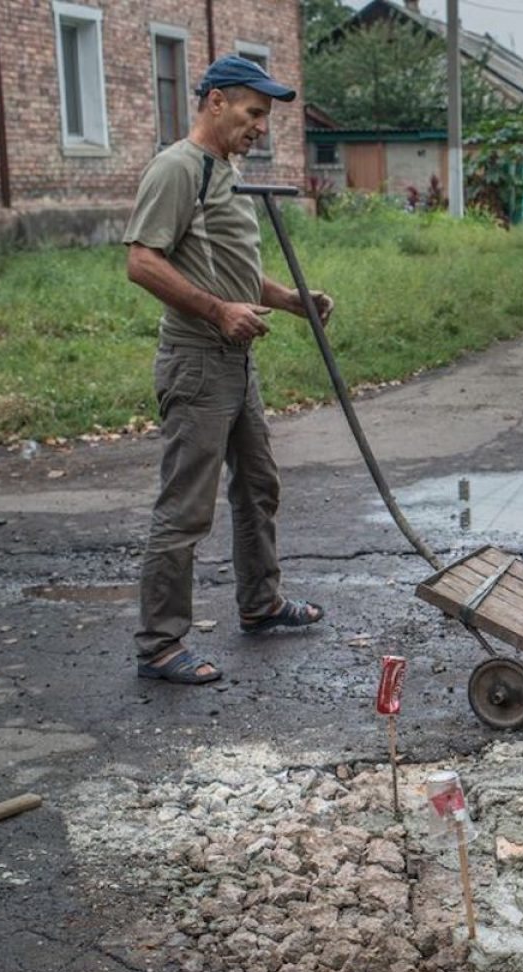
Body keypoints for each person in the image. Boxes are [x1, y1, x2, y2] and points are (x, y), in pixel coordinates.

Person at [124, 56, 334, 685]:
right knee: (186, 507)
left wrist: (293, 302)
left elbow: (232, 273)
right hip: (197, 361)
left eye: (266, 116)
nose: (261, 127)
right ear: (215, 102)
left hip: (237, 361)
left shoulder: (226, 171)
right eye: (253, 112)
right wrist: (217, 312)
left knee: (258, 485)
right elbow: (142, 261)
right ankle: (160, 645)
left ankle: (261, 604)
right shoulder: (177, 167)